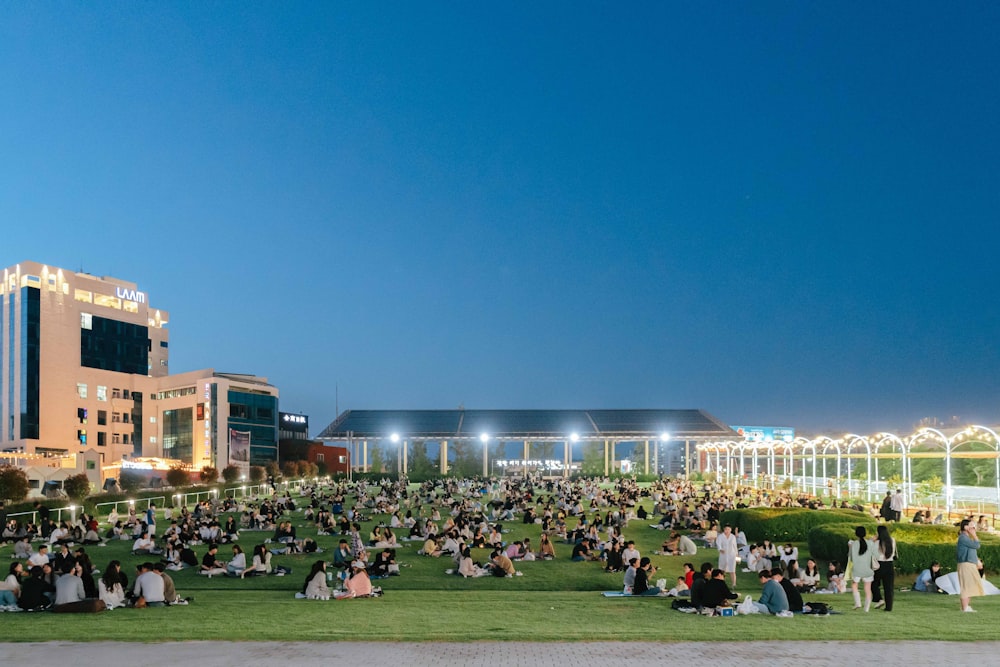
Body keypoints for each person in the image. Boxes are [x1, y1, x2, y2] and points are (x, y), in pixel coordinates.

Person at [848, 525, 878, 612]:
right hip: (867, 569)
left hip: (857, 568)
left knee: (854, 585)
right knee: (868, 589)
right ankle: (866, 608)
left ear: (856, 534)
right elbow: (876, 555)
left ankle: (857, 603)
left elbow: (850, 557)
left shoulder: (853, 544)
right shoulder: (870, 543)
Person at [957, 519, 982, 612]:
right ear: (966, 527)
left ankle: (966, 606)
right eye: (971, 525)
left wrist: (977, 561)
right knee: (966, 586)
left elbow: (972, 551)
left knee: (970, 586)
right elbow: (977, 545)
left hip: (969, 564)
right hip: (965, 564)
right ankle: (964, 608)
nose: (973, 528)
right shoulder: (963, 538)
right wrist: (974, 535)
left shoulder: (967, 538)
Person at [871, 524, 897, 611]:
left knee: (873, 583)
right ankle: (889, 607)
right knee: (888, 587)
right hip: (889, 564)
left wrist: (872, 541)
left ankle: (879, 598)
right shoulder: (892, 540)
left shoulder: (877, 543)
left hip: (879, 564)